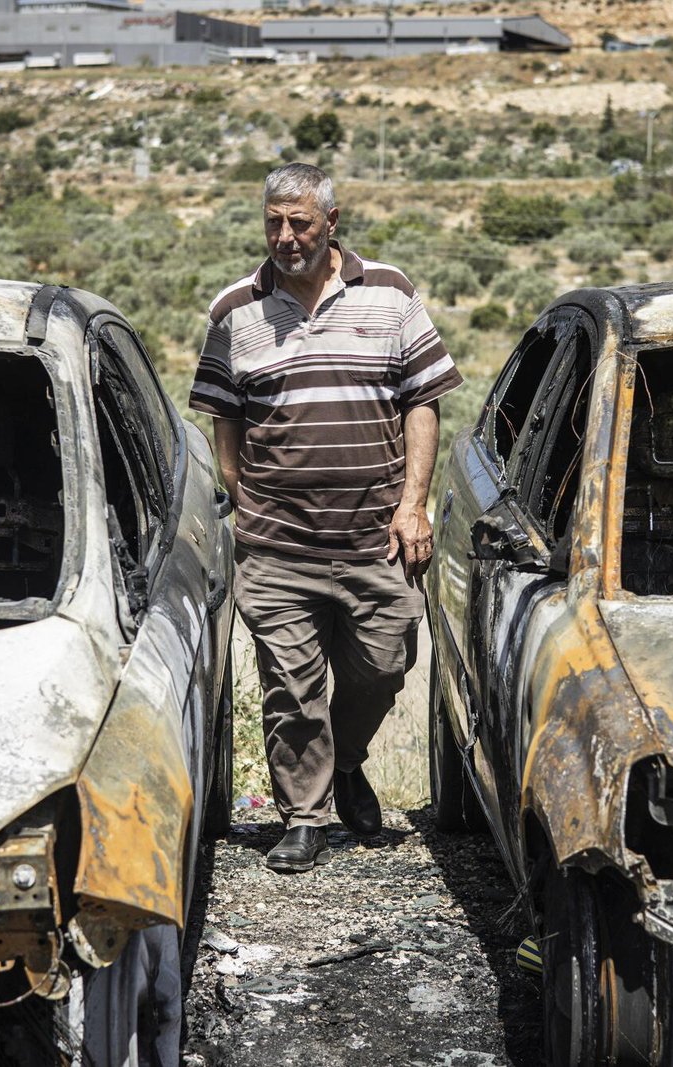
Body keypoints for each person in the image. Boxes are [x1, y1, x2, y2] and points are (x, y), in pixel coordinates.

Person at [189, 163, 462, 873]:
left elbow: (423, 402)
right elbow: (224, 416)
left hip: (377, 538)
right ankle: (304, 816)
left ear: (331, 223)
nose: (285, 236)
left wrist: (413, 505)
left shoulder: (391, 293)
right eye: (273, 221)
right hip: (278, 545)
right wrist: (241, 496)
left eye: (299, 222)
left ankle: (345, 765)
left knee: (383, 663)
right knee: (290, 689)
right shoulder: (235, 311)